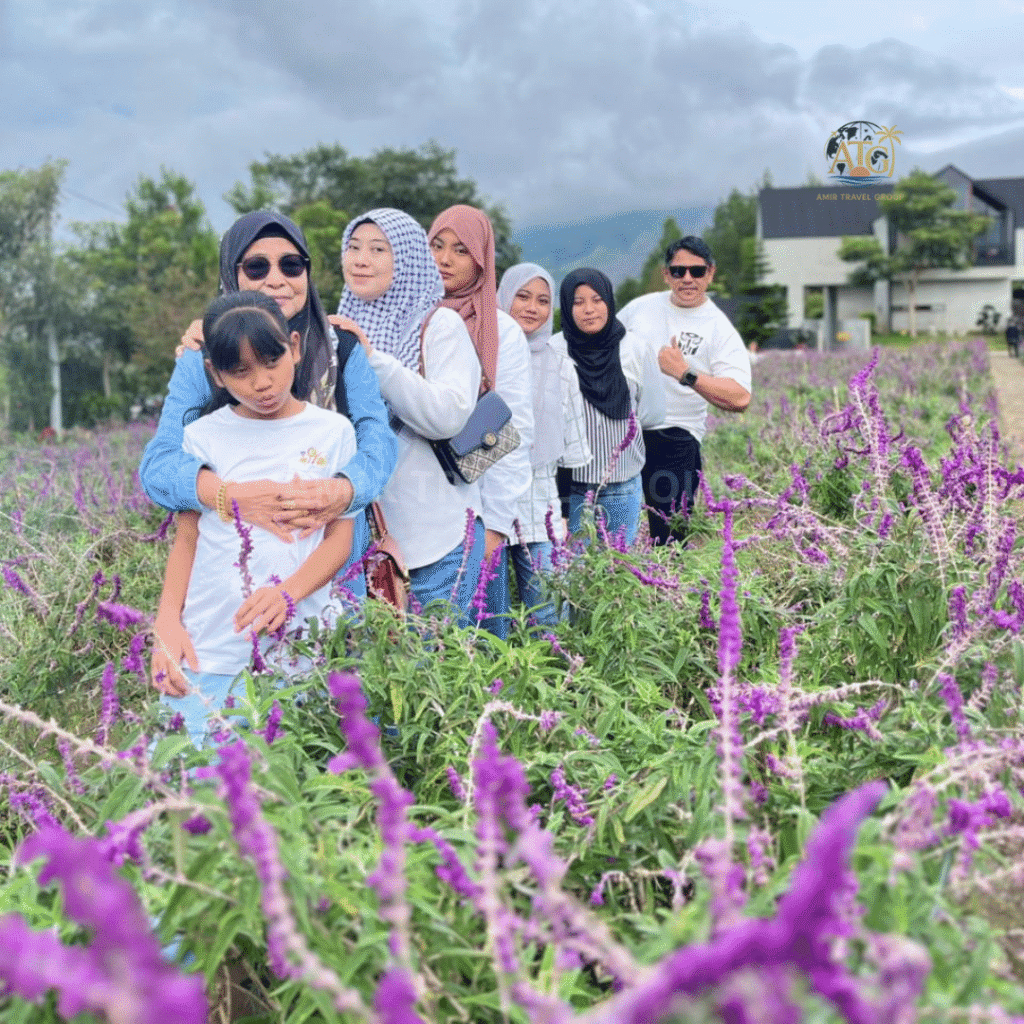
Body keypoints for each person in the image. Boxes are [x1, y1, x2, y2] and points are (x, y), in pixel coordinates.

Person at [140, 211, 395, 600]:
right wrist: (229, 496)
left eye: (291, 265)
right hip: (230, 578)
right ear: (231, 275)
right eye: (257, 267)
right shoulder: (203, 354)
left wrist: (344, 490)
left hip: (332, 577)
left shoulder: (342, 348)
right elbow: (159, 466)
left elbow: (378, 440)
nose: (277, 279)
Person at [151, 291, 357, 746]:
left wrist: (288, 594)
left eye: (271, 361)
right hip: (211, 647)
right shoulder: (203, 437)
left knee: (290, 777)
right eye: (240, 372)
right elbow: (187, 540)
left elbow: (339, 542)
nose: (262, 383)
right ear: (215, 374)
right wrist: (167, 623)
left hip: (300, 649)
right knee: (188, 776)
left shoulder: (333, 432)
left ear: (295, 348)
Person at [334, 207, 486, 624]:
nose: (361, 260)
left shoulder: (438, 325)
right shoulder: (336, 330)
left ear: (406, 259)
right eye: (353, 247)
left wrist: (373, 361)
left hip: (435, 537)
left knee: (441, 660)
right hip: (361, 542)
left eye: (377, 250)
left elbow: (449, 416)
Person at [428, 205, 534, 639]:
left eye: (461, 250)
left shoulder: (500, 331)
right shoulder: (412, 316)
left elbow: (512, 431)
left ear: (481, 260)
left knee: (480, 641)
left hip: (475, 508)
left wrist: (495, 526)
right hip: (416, 508)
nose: (444, 259)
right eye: (437, 246)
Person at [618, 236, 751, 545]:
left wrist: (685, 373)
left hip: (675, 435)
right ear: (666, 275)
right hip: (624, 431)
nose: (688, 279)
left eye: (697, 271)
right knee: (610, 528)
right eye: (679, 271)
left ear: (710, 273)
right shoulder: (639, 309)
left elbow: (741, 396)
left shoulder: (718, 327)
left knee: (669, 535)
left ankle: (669, 576)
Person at [497, 263, 590, 625]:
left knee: (549, 614)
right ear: (504, 297)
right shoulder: (480, 354)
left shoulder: (560, 365)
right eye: (522, 296)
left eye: (542, 301)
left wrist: (564, 513)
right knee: (490, 618)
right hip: (487, 505)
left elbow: (572, 449)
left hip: (540, 509)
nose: (532, 308)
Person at [555, 268, 665, 547]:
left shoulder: (635, 348)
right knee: (574, 568)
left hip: (622, 487)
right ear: (566, 306)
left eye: (597, 300)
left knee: (619, 566)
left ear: (609, 301)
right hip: (571, 491)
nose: (589, 310)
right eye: (578, 302)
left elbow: (652, 413)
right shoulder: (554, 350)